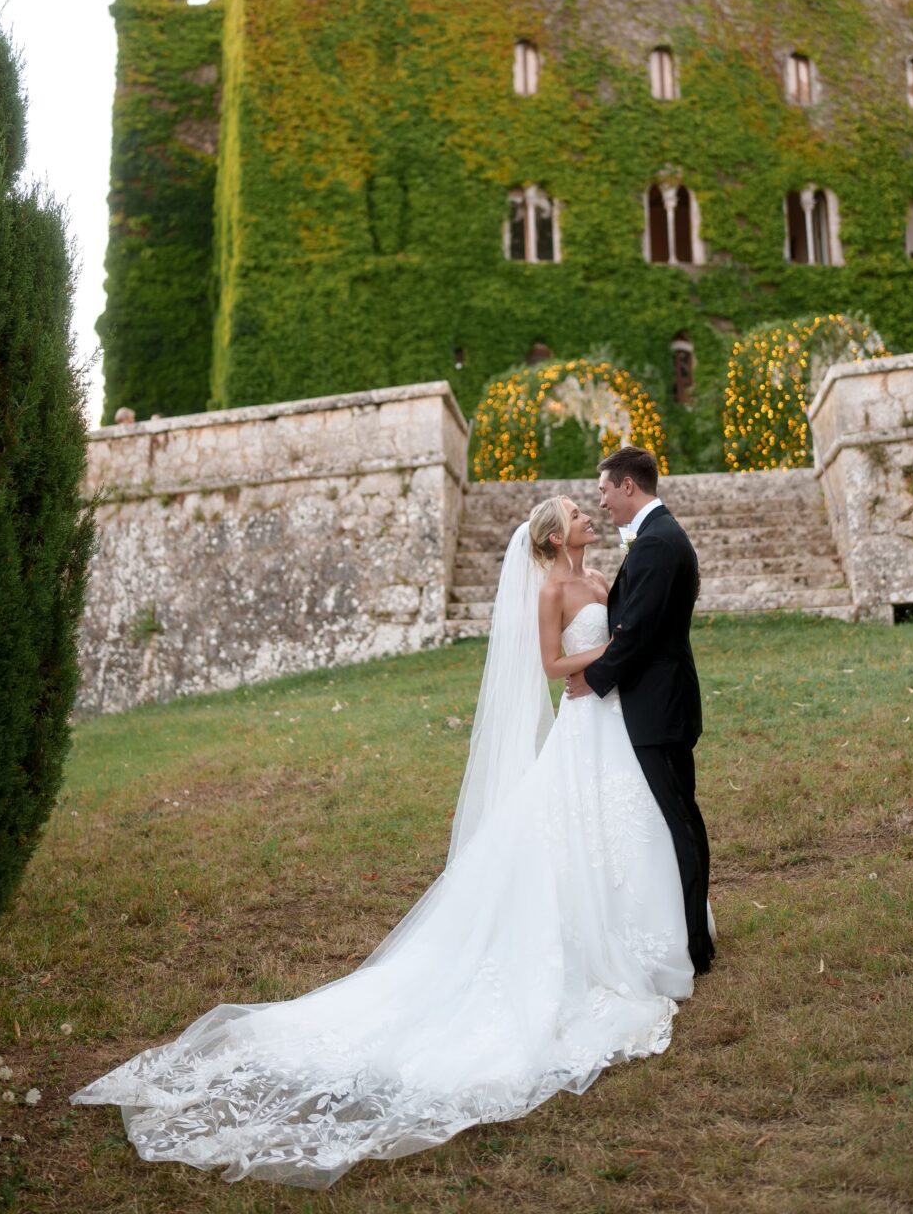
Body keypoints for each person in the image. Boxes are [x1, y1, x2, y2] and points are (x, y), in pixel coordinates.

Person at [71, 493, 696, 1189]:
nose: (587, 517)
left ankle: (635, 927)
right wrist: (606, 656)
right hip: (582, 713)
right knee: (568, 831)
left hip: (611, 720)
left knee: (616, 825)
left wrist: (617, 654)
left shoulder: (601, 578)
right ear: (552, 539)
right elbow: (551, 665)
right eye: (577, 514)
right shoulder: (550, 590)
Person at [565, 445, 715, 974]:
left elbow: (639, 633)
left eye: (604, 490)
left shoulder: (656, 542)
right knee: (676, 819)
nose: (601, 502)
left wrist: (592, 680)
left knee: (680, 822)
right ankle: (689, 934)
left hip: (660, 706)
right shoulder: (657, 536)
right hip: (660, 700)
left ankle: (695, 946)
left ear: (628, 485)